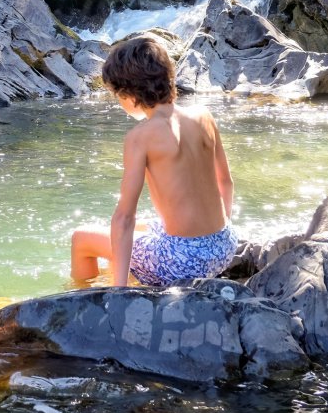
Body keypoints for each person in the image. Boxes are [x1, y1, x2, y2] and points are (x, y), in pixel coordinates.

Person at [70, 33, 238, 287]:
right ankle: (126, 275)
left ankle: (87, 298)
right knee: (145, 228)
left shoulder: (141, 137)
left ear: (129, 92)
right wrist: (215, 239)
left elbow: (124, 218)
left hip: (183, 264)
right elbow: (225, 182)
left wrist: (119, 291)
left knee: (82, 238)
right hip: (224, 246)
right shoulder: (204, 115)